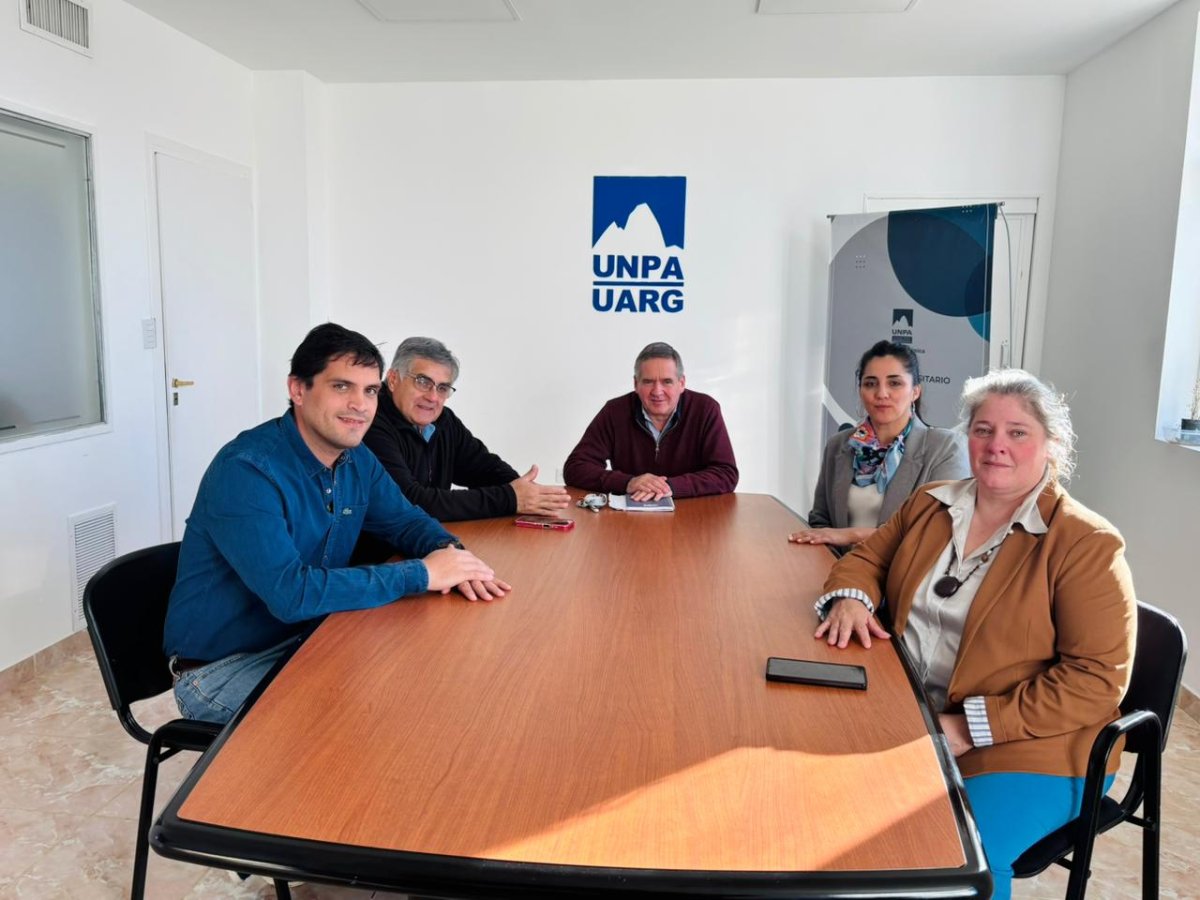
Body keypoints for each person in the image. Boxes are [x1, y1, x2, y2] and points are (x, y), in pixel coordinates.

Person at [811, 369, 1136, 900]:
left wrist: (969, 728)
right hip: (915, 716)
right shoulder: (932, 504)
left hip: (1034, 746)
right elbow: (867, 558)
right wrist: (853, 596)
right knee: (830, 809)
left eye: (1017, 433)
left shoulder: (1087, 544)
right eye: (983, 430)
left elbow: (1096, 682)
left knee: (960, 852)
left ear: (1052, 445)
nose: (995, 446)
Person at [163, 323, 510, 724]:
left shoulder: (355, 457)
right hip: (224, 671)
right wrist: (420, 573)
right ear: (298, 389)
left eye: (369, 391)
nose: (360, 405)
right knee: (362, 726)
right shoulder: (247, 470)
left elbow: (406, 520)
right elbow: (291, 594)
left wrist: (455, 557)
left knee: (427, 682)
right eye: (341, 387)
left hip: (310, 636)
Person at [363, 336, 570, 521]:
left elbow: (482, 466)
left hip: (424, 542)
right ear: (393, 380)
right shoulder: (370, 422)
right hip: (381, 557)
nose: (433, 397)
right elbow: (411, 501)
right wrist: (510, 497)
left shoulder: (443, 420)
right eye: (423, 382)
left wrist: (526, 492)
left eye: (442, 388)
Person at [790, 340, 968, 552]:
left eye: (894, 383)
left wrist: (850, 535)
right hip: (838, 572)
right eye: (870, 383)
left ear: (916, 391)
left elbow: (937, 532)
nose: (881, 393)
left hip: (902, 578)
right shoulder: (838, 445)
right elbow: (820, 521)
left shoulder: (945, 447)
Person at [563, 342, 738, 501]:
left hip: (692, 514)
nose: (657, 391)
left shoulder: (705, 409)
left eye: (667, 381)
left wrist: (670, 486)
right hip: (629, 517)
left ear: (681, 383)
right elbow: (575, 468)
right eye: (648, 382)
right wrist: (628, 483)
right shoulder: (615, 411)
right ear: (636, 384)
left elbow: (726, 473)